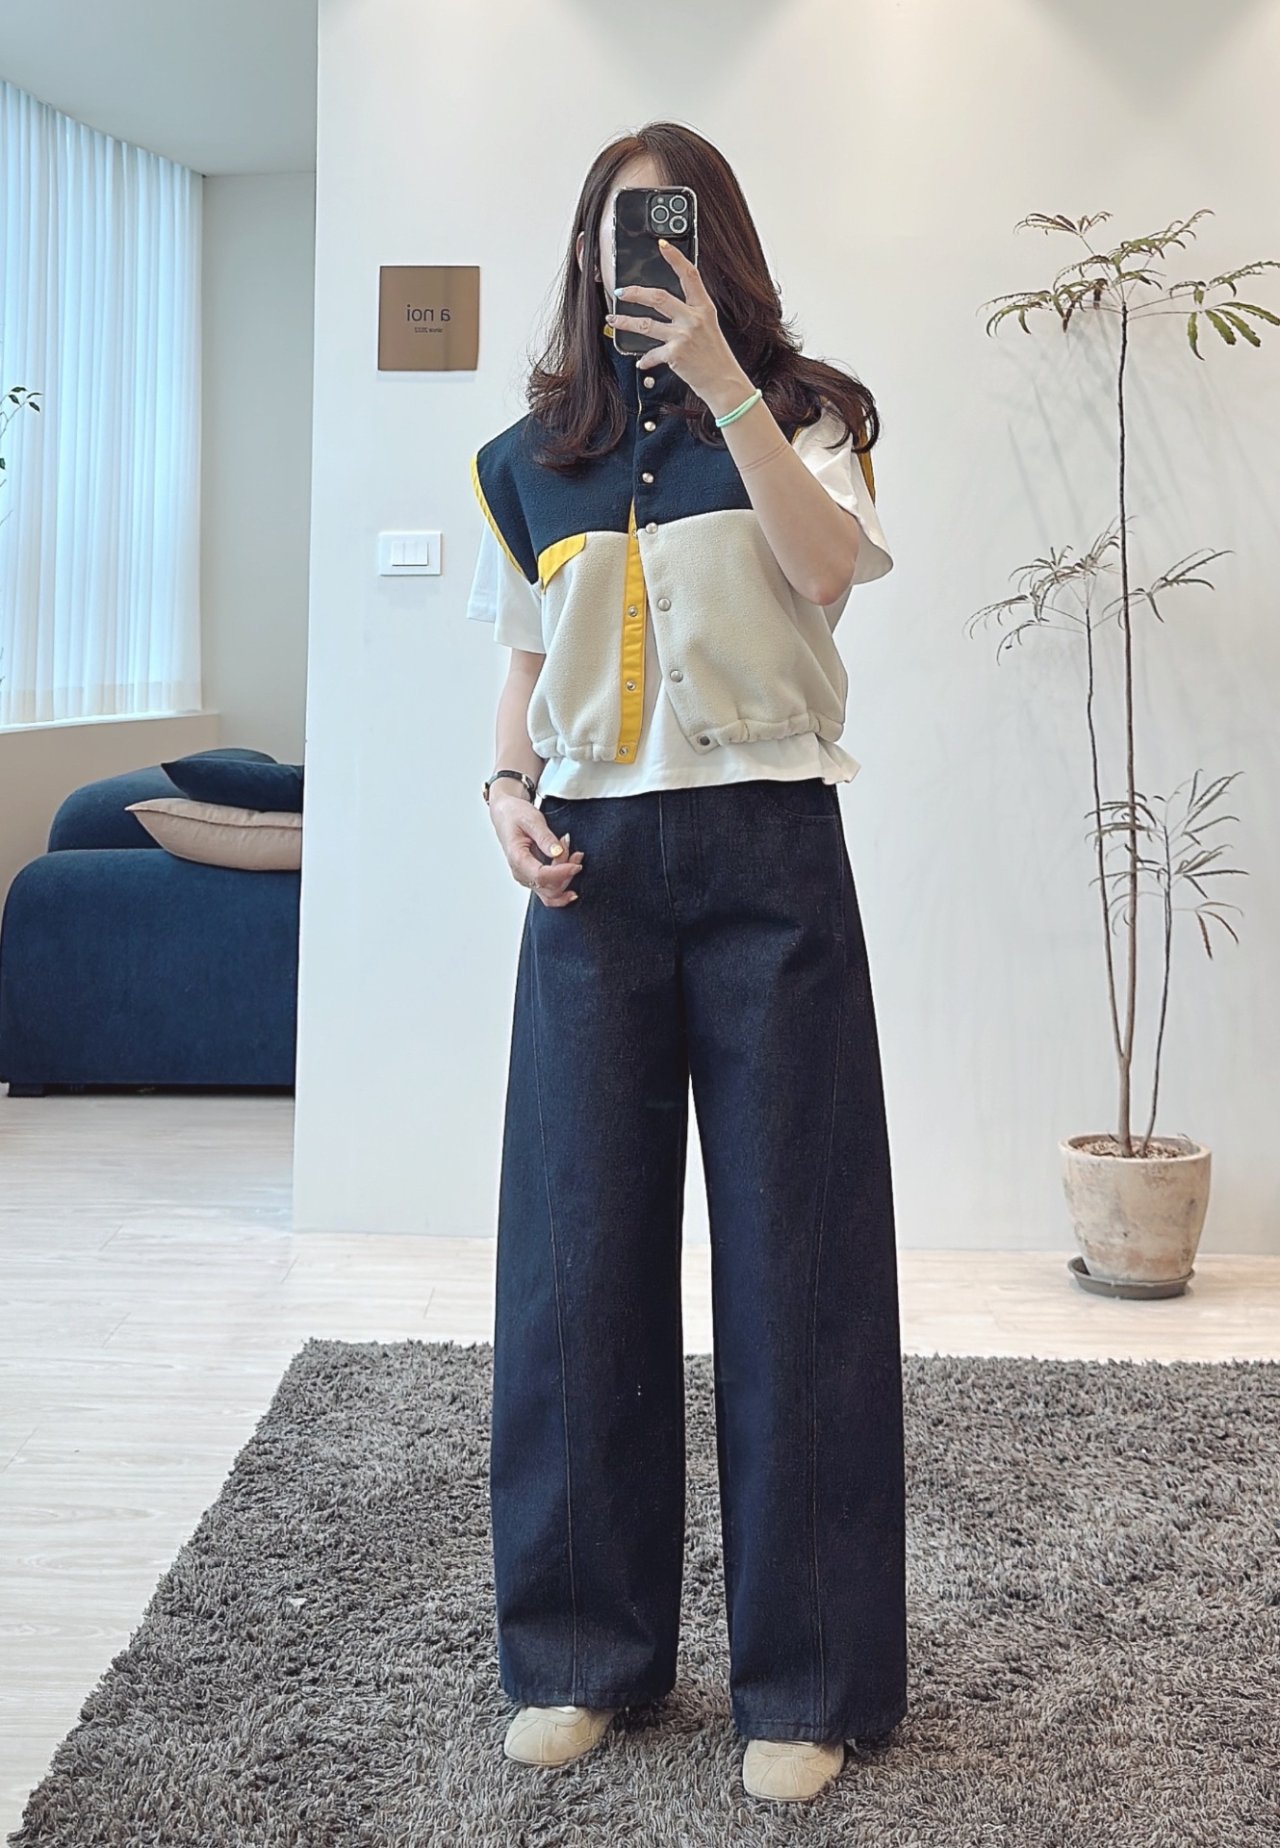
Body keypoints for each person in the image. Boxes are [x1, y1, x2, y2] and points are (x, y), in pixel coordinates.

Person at [466, 123, 906, 1807]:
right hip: (589, 879)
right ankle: (583, 1652)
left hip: (769, 858)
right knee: (575, 1266)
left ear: (715, 240)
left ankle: (810, 1681)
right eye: (614, 226)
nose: (636, 252)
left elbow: (825, 574)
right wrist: (506, 793)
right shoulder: (529, 459)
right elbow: (525, 668)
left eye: (667, 223)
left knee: (800, 1261)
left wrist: (727, 386)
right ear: (587, 250)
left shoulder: (809, 417)